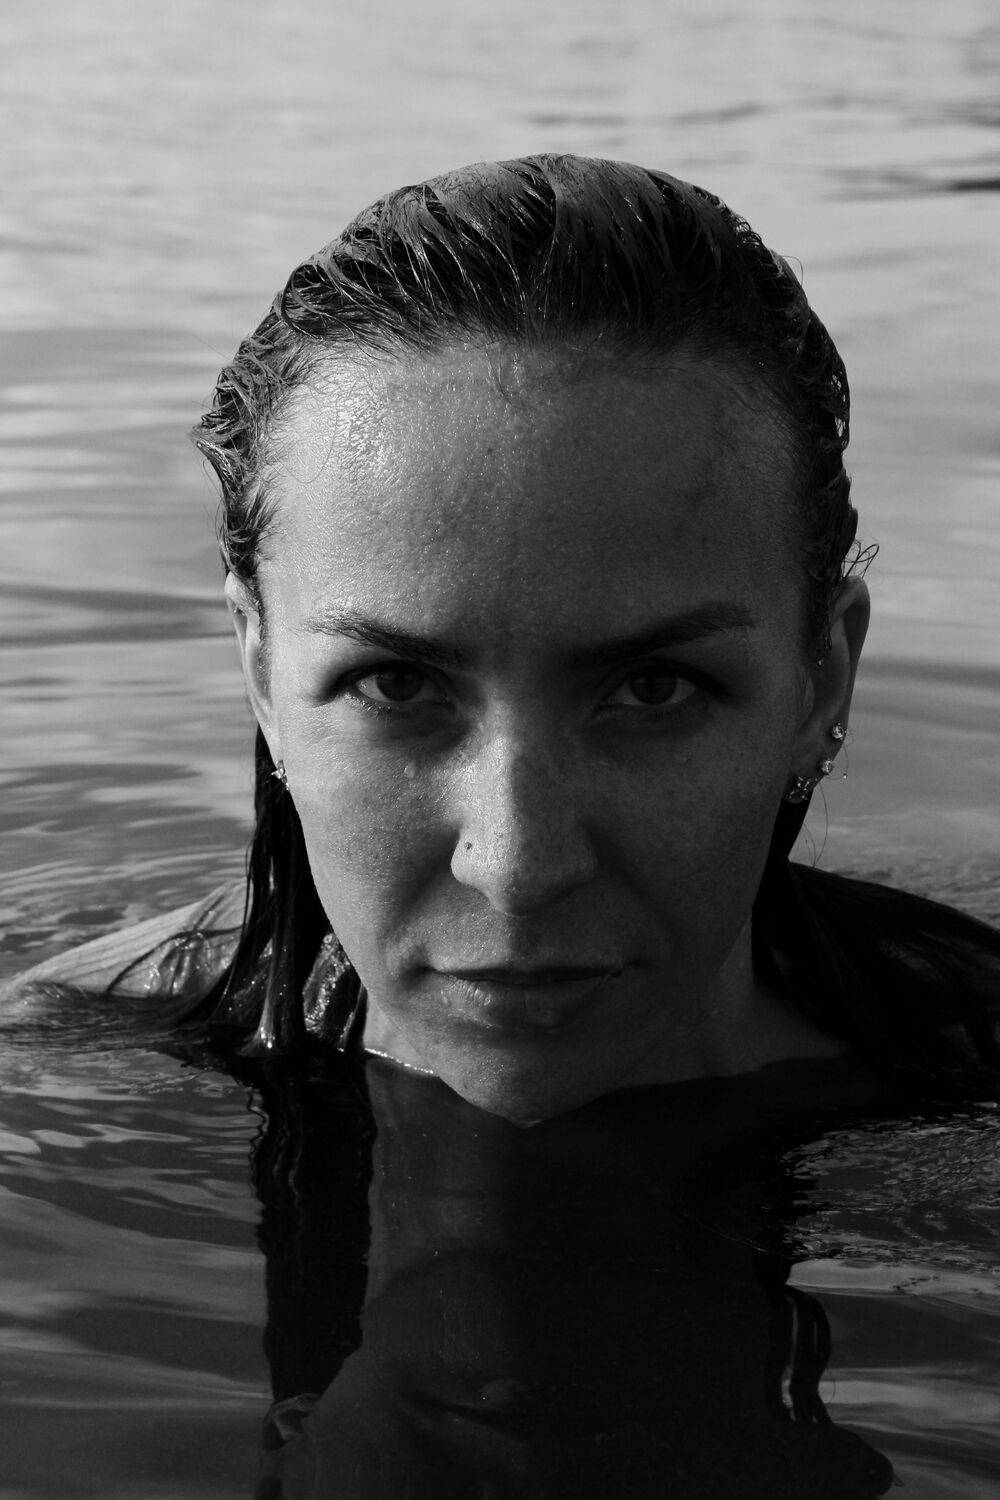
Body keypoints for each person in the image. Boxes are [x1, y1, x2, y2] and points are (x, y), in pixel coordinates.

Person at [4, 154, 997, 1497]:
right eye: (395, 686)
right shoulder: (57, 1057)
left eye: (656, 689)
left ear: (822, 679)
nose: (519, 865)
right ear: (262, 675)